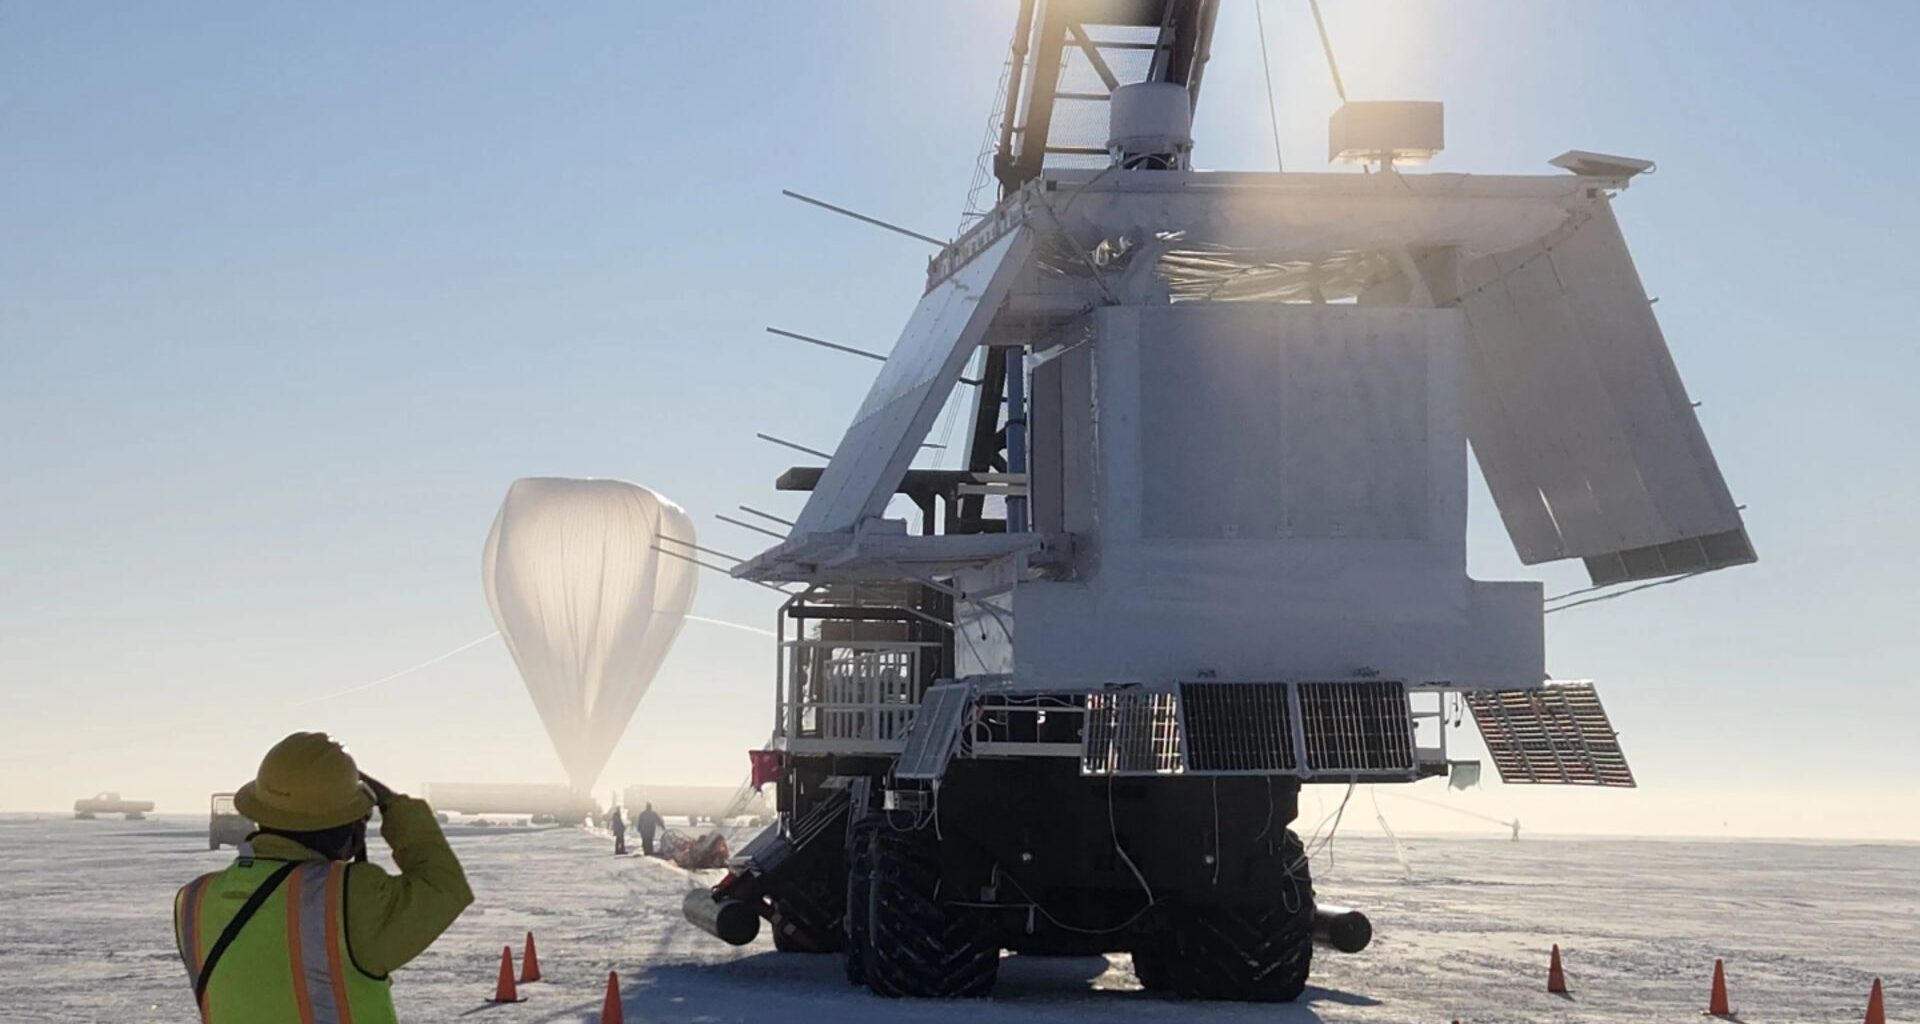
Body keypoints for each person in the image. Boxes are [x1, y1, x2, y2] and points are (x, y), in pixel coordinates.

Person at [173, 732, 473, 1023]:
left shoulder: (194, 900)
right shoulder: (350, 897)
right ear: (346, 826)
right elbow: (444, 885)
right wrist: (395, 806)